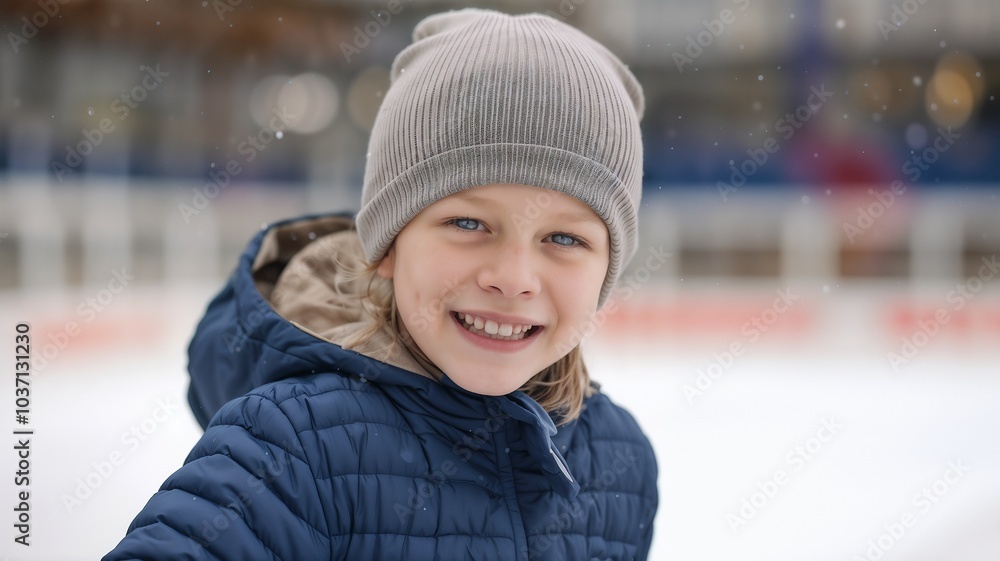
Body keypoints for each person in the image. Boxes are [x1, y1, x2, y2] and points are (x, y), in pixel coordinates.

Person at [105, 8, 658, 560]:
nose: (512, 279)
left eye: (564, 239)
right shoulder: (292, 450)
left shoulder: (621, 464)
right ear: (389, 245)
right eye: (468, 224)